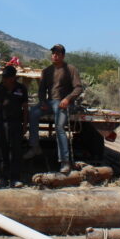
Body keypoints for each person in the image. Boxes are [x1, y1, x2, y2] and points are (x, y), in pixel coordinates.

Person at [27, 44, 83, 174]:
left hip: (64, 103)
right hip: (49, 102)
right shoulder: (46, 71)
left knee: (59, 127)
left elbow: (78, 88)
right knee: (33, 113)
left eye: (57, 53)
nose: (54, 56)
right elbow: (41, 90)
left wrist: (68, 99)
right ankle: (34, 146)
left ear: (63, 55)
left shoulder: (71, 69)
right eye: (53, 53)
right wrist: (42, 101)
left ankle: (64, 161)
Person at [0, 65, 29, 188]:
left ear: (13, 78)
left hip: (16, 124)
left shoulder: (21, 89)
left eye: (7, 77)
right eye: (4, 77)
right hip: (2, 124)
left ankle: (15, 179)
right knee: (3, 151)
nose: (5, 79)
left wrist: (25, 124)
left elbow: (25, 107)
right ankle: (3, 178)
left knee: (16, 151)